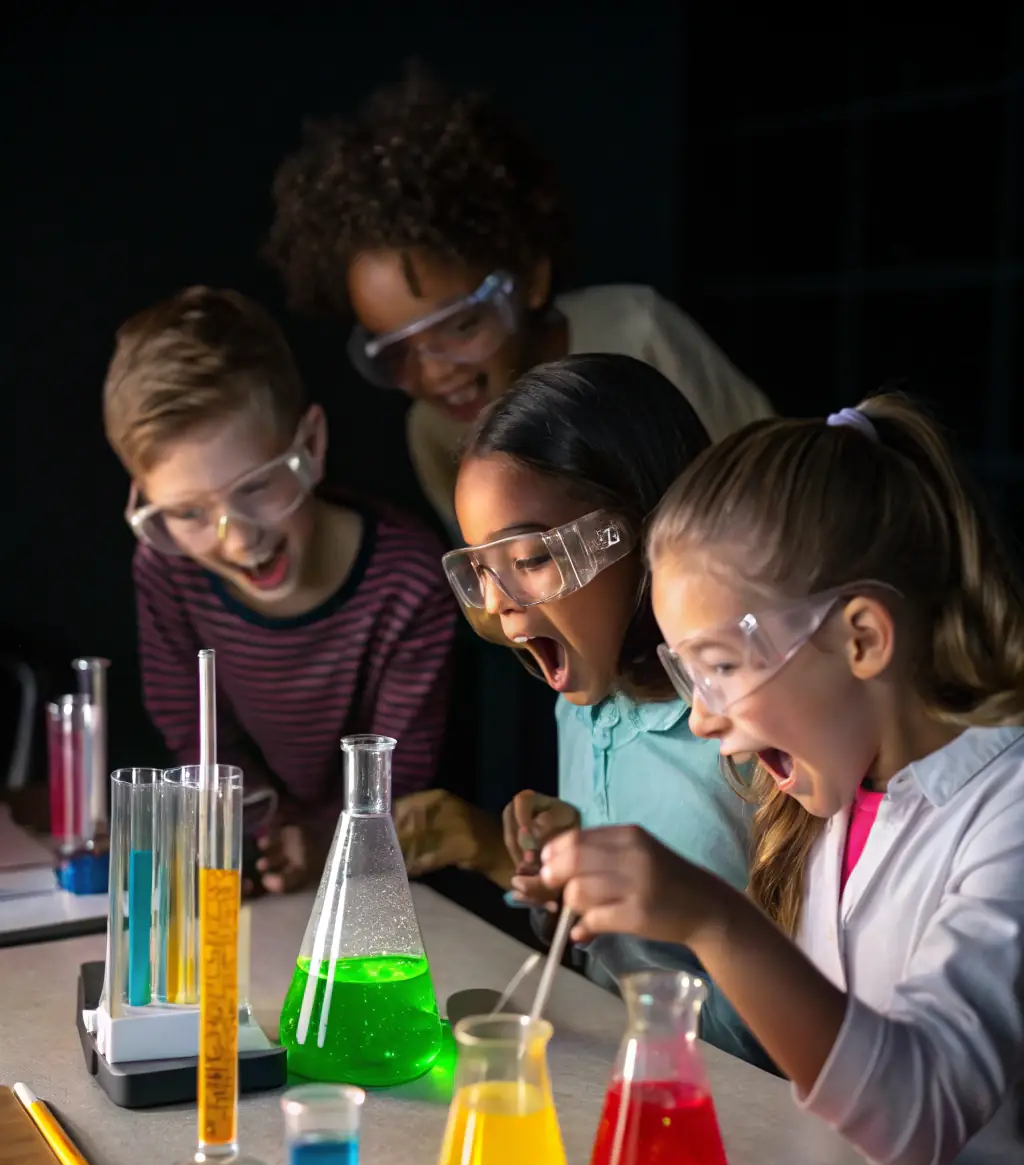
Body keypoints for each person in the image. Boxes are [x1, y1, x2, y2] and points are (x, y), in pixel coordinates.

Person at [537, 395, 1024, 1165]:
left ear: (862, 637)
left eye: (722, 666)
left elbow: (917, 1112)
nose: (701, 718)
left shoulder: (1008, 809)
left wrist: (713, 919)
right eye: (688, 673)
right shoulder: (842, 793)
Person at [398, 353, 771, 1066]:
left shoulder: (749, 729)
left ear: (646, 530)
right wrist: (558, 878)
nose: (499, 603)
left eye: (531, 559)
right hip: (623, 1079)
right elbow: (609, 961)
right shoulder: (581, 707)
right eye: (481, 568)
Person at [264, 66, 773, 542]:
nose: (435, 372)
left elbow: (767, 478)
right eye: (397, 351)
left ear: (529, 278)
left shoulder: (638, 330)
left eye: (462, 326)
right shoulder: (433, 431)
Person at [103, 286, 457, 894]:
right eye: (187, 513)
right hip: (252, 860)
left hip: (376, 875)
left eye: (258, 486)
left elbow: (399, 772)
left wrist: (325, 843)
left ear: (311, 445)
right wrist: (259, 832)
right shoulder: (166, 570)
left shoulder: (410, 579)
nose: (239, 540)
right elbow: (191, 728)